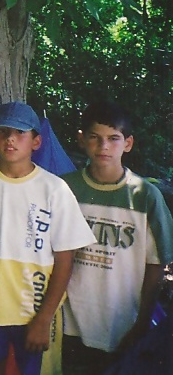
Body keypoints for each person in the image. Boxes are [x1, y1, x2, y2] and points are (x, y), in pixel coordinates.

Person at [0, 102, 96, 375]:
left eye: (20, 133)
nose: (10, 139)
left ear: (36, 141)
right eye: (3, 132)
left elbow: (66, 258)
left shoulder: (54, 189)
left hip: (34, 308)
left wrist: (44, 318)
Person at [60, 101, 173, 375]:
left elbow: (157, 264)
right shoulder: (63, 188)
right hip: (67, 322)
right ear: (81, 140)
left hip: (121, 324)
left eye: (113, 139)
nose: (104, 147)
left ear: (128, 143)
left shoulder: (145, 196)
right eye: (95, 138)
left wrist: (143, 320)